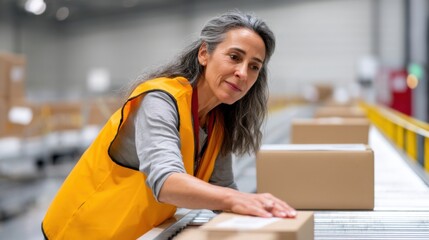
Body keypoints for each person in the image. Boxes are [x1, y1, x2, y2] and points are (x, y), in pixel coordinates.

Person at [42, 10, 296, 240]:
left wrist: (262, 211)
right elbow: (166, 183)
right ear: (204, 54)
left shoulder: (218, 119)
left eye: (254, 66)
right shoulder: (160, 99)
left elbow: (222, 187)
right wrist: (238, 199)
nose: (243, 72)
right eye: (234, 57)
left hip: (137, 232)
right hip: (81, 231)